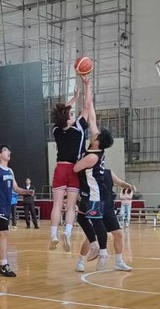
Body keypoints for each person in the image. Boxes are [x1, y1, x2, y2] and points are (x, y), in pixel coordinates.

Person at [49, 74, 93, 252]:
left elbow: (60, 114)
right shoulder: (79, 127)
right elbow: (87, 106)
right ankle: (67, 233)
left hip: (60, 168)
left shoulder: (56, 130)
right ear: (68, 119)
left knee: (57, 205)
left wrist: (73, 98)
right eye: (71, 114)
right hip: (75, 169)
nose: (73, 115)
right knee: (71, 206)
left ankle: (53, 235)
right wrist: (87, 85)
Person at [73, 97, 114, 271]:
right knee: (81, 217)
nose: (93, 134)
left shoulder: (92, 156)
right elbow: (92, 120)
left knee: (97, 222)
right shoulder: (97, 146)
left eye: (95, 135)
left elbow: (75, 168)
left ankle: (103, 252)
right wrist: (88, 97)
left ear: (98, 141)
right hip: (88, 192)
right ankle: (94, 244)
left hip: (95, 193)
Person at [0, 144, 33, 277]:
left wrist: (26, 191)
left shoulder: (10, 171)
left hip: (6, 206)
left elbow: (16, 188)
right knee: (4, 233)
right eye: (5, 150)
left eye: (9, 150)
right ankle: (4, 265)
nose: (9, 152)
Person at [75, 170, 135, 272]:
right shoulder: (89, 173)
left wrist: (128, 185)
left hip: (108, 209)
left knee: (118, 234)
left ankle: (119, 262)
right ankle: (80, 261)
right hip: (96, 208)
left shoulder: (109, 172)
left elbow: (120, 182)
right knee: (91, 237)